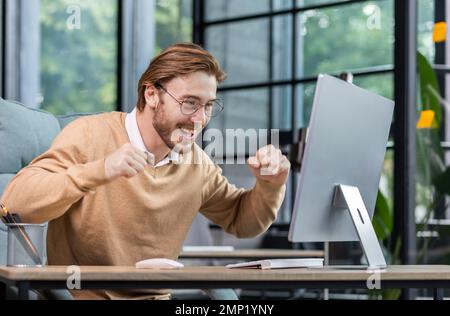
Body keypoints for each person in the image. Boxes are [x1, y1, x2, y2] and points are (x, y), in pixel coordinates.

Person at [0, 43, 290, 299]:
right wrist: (100, 170)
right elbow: (15, 204)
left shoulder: (196, 164)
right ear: (151, 94)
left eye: (208, 106)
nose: (200, 119)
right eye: (190, 103)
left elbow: (242, 221)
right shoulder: (88, 135)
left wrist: (270, 185)